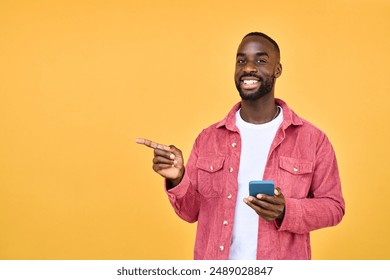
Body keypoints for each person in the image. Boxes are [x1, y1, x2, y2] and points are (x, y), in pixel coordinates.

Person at [136, 32, 345, 260]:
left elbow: (334, 207)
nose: (249, 68)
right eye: (241, 61)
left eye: (261, 60)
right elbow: (190, 212)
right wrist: (178, 177)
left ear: (278, 70)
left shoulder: (312, 139)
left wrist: (287, 210)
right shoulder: (208, 139)